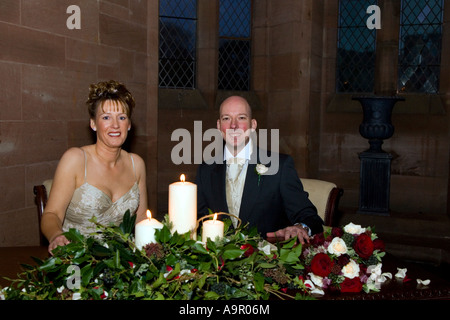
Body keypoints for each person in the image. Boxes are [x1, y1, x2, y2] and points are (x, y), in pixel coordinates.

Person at [195, 95, 323, 244]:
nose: (233, 126)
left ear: (253, 124)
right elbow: (196, 220)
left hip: (268, 262)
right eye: (226, 118)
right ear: (218, 126)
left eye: (241, 118)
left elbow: (310, 217)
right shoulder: (205, 171)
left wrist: (300, 227)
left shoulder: (279, 167)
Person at [41, 80, 148, 254]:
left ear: (129, 124)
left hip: (122, 261)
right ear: (93, 123)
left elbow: (142, 218)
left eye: (122, 117)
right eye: (106, 117)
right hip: (77, 259)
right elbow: (51, 214)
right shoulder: (75, 159)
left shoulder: (137, 164)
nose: (115, 125)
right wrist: (56, 236)